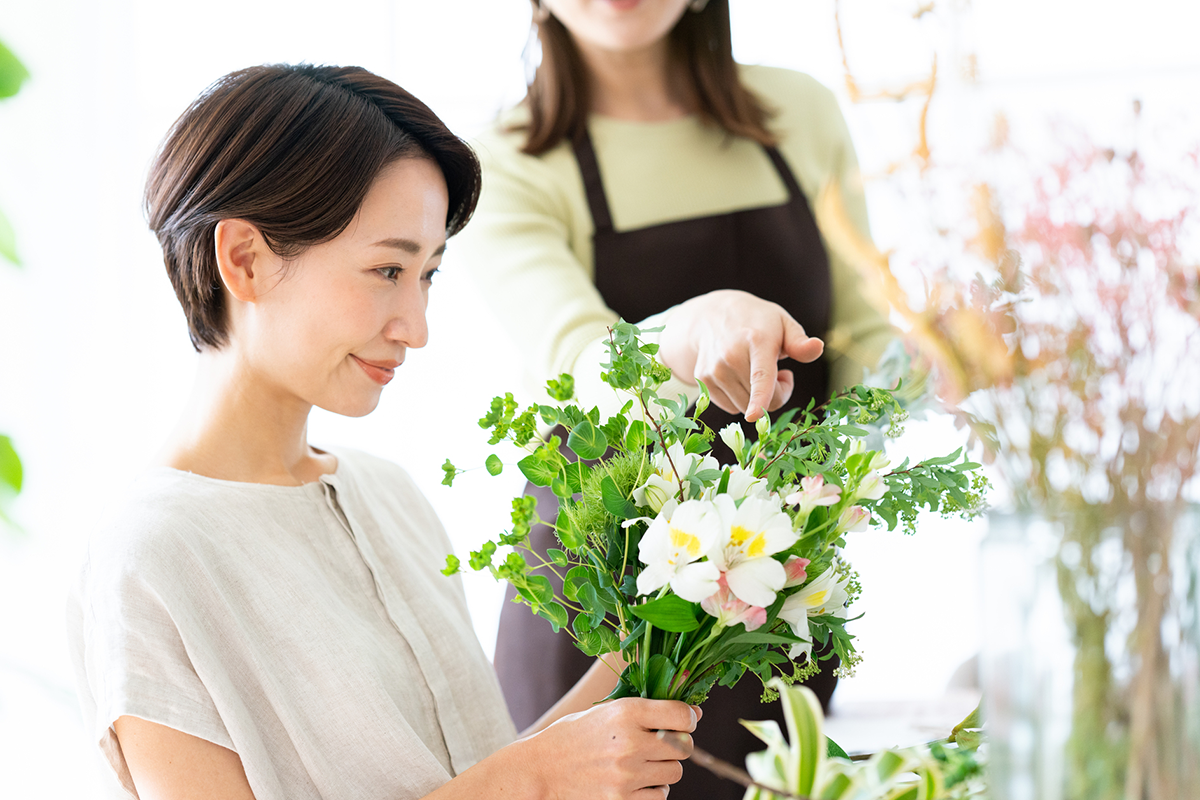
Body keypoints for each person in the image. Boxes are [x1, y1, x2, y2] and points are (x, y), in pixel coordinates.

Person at [65, 64, 700, 800]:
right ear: (243, 258)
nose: (417, 328)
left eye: (428, 274)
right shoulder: (149, 558)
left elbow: (475, 777)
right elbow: (510, 784)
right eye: (387, 270)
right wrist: (532, 779)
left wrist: (667, 634)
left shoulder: (386, 494)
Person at [454, 2, 896, 796]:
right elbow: (580, 364)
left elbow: (866, 332)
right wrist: (694, 329)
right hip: (608, 602)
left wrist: (868, 469)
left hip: (772, 581)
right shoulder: (508, 162)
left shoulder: (800, 113)